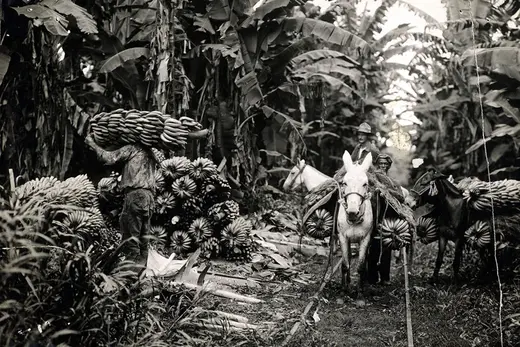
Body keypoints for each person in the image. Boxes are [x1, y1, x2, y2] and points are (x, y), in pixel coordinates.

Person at [85, 135, 157, 267]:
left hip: (135, 195)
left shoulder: (132, 149)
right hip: (149, 197)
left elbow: (109, 158)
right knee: (143, 236)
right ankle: (142, 269)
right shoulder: (150, 152)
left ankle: (130, 271)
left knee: (130, 235)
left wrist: (92, 144)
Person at [367, 153, 404, 286]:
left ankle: (385, 277)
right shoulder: (371, 178)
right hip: (372, 218)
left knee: (386, 250)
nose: (383, 166)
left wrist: (387, 191)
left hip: (387, 219)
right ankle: (370, 278)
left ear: (388, 166)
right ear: (377, 164)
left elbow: (401, 198)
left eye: (385, 164)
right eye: (380, 164)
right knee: (371, 250)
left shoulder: (393, 182)